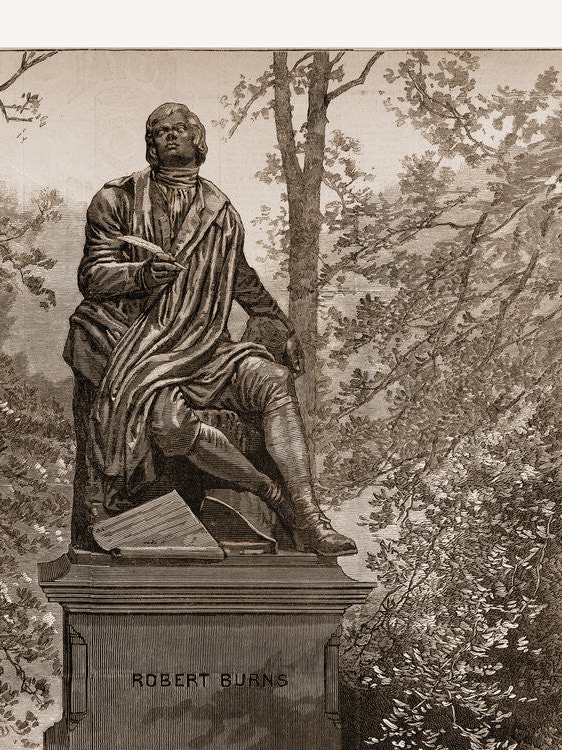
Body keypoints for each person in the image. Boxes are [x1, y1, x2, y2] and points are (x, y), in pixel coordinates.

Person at [64, 102, 357, 557]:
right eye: (160, 131)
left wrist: (278, 322)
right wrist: (140, 276)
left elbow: (238, 275)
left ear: (198, 139)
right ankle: (270, 493)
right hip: (136, 340)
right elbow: (92, 274)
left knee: (272, 381)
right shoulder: (116, 198)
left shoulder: (220, 209)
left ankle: (309, 513)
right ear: (151, 145)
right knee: (168, 424)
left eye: (180, 129)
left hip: (204, 342)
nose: (171, 136)